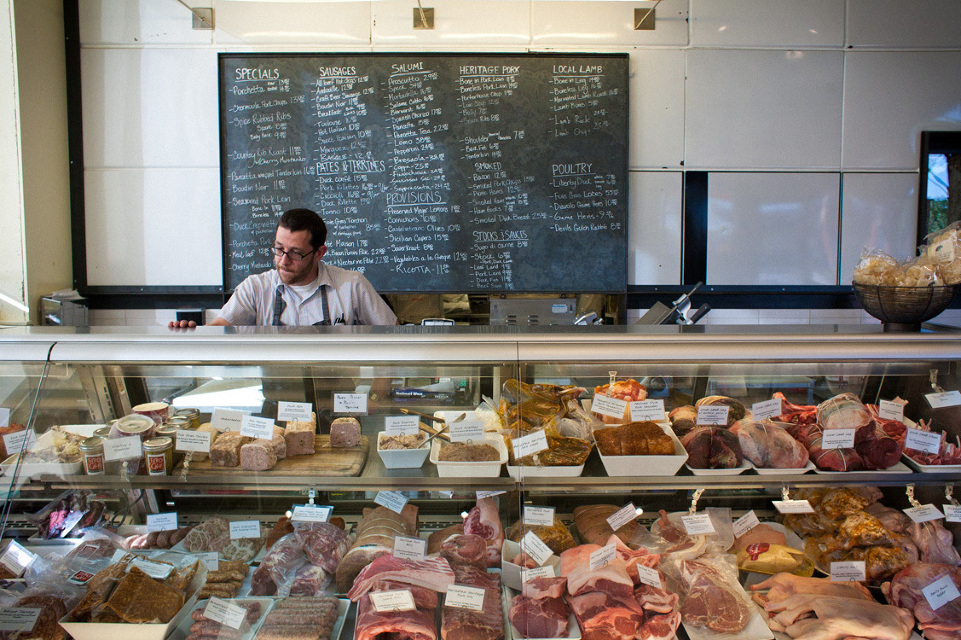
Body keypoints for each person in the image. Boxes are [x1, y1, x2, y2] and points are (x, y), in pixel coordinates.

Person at [170, 208, 397, 327]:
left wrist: (377, 393)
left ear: (319, 253)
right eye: (279, 249)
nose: (283, 261)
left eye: (295, 253)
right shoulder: (255, 288)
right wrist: (193, 331)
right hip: (274, 395)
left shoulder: (351, 286)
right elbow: (223, 326)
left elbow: (392, 335)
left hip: (339, 395)